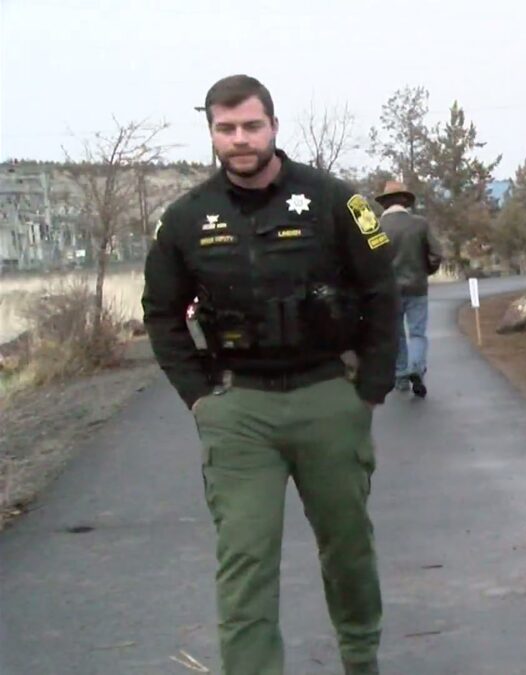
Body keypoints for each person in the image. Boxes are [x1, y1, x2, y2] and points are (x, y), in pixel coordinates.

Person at [142, 74, 396, 675]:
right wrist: (200, 397)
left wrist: (370, 389)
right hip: (239, 410)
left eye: (251, 126)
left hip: (327, 397)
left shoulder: (337, 202)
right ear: (211, 133)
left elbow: (383, 290)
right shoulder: (185, 219)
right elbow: (161, 312)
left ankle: (361, 658)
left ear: (274, 126)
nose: (240, 140)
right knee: (245, 561)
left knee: (348, 550)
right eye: (225, 129)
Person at [375, 180, 443, 398]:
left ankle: (401, 375)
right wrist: (426, 270)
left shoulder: (376, 227)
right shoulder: (420, 224)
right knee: (417, 332)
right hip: (416, 286)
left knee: (396, 334)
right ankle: (416, 367)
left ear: (385, 203)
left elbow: (368, 260)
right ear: (405, 201)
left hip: (388, 290)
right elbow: (436, 254)